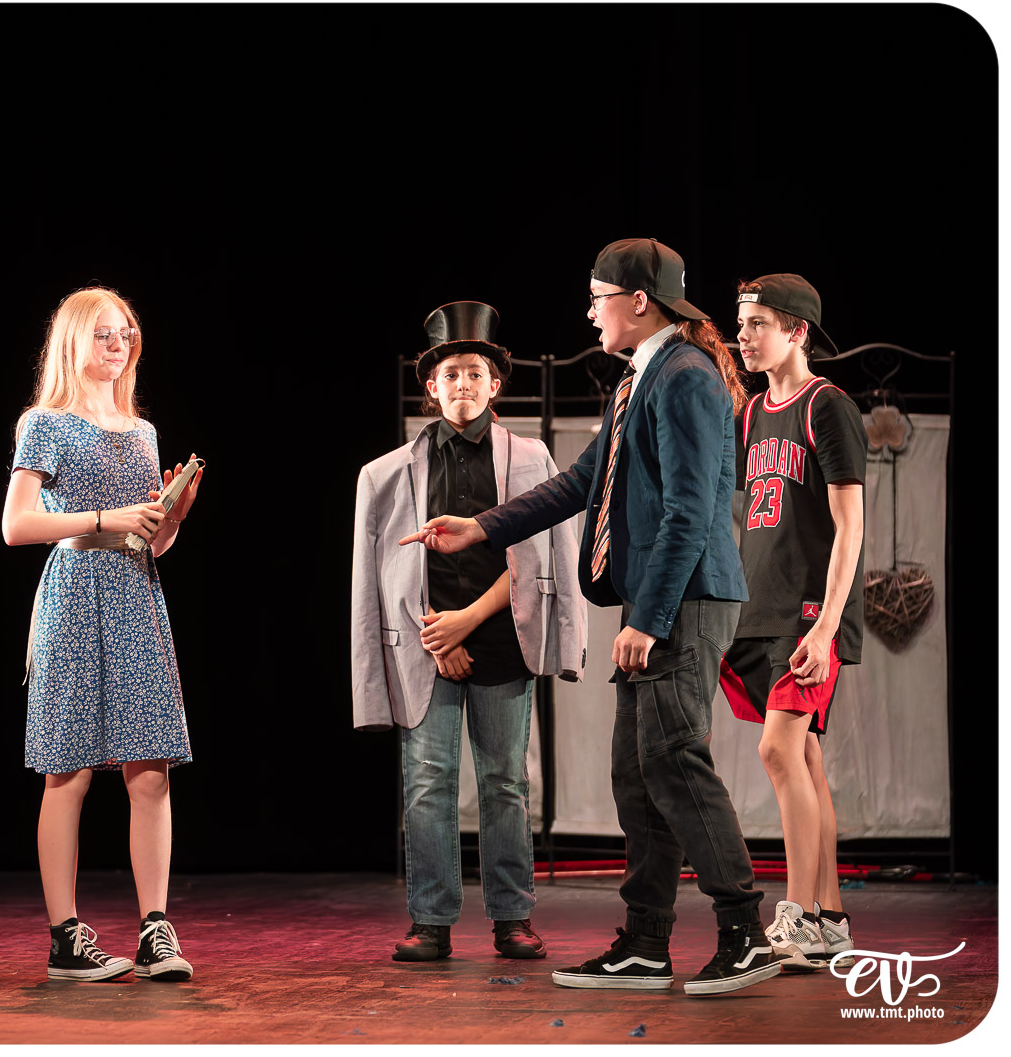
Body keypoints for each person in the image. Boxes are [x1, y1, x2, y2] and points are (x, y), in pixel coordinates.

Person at [401, 239, 779, 996]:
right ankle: (645, 940)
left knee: (672, 756)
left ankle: (744, 930)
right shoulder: (637, 381)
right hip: (656, 599)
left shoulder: (687, 377)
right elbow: (581, 481)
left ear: (639, 300)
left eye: (597, 294)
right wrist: (482, 527)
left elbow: (688, 511)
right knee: (636, 771)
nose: (589, 309)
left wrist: (652, 617)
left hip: (687, 597)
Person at [351, 301, 586, 964]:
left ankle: (512, 916)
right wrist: (439, 635)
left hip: (499, 635)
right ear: (430, 386)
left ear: (494, 384)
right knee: (427, 780)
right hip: (428, 644)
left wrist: (467, 622)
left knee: (506, 779)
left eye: (473, 372)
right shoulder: (387, 472)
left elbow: (539, 560)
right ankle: (431, 919)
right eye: (450, 374)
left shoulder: (530, 457)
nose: (462, 384)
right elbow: (382, 577)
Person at [1, 286, 205, 983]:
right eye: (102, 335)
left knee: (150, 769)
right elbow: (16, 525)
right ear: (73, 342)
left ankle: (155, 928)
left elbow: (147, 539)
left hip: (135, 593)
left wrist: (170, 516)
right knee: (69, 770)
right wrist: (104, 518)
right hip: (73, 593)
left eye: (126, 334)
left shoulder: (142, 432)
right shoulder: (45, 422)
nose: (117, 346)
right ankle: (66, 936)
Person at [721, 274, 864, 970]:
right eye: (741, 322)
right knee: (802, 757)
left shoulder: (828, 406)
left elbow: (850, 525)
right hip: (763, 607)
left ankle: (799, 917)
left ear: (798, 330)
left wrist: (827, 624)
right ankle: (831, 915)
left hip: (808, 613)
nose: (743, 334)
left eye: (758, 323)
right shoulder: (751, 414)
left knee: (778, 751)